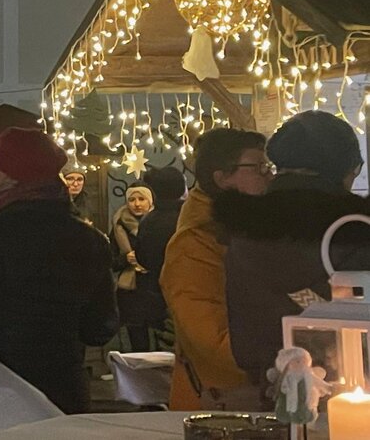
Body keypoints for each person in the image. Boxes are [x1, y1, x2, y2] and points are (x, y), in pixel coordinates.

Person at [0, 128, 117, 414]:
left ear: (10, 179)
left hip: (6, 385)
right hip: (66, 388)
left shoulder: (0, 234)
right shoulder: (91, 239)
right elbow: (100, 328)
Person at [215, 112, 370, 404]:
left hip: (270, 392)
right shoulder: (355, 227)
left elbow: (245, 339)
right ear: (343, 169)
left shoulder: (242, 230)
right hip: (356, 395)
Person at [160, 128, 269, 411]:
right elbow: (210, 338)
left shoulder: (245, 231)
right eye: (257, 167)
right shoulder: (194, 244)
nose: (269, 175)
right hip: (219, 403)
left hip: (253, 395)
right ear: (222, 178)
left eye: (268, 166)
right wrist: (279, 360)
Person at [127, 167, 186, 352]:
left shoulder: (149, 221)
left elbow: (143, 258)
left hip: (158, 292)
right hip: (189, 290)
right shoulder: (189, 218)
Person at [111, 182, 154, 352]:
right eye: (132, 199)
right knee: (135, 336)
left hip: (153, 285)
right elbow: (111, 261)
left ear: (150, 201)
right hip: (130, 290)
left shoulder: (157, 224)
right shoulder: (118, 225)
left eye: (141, 199)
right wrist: (126, 259)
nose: (136, 204)